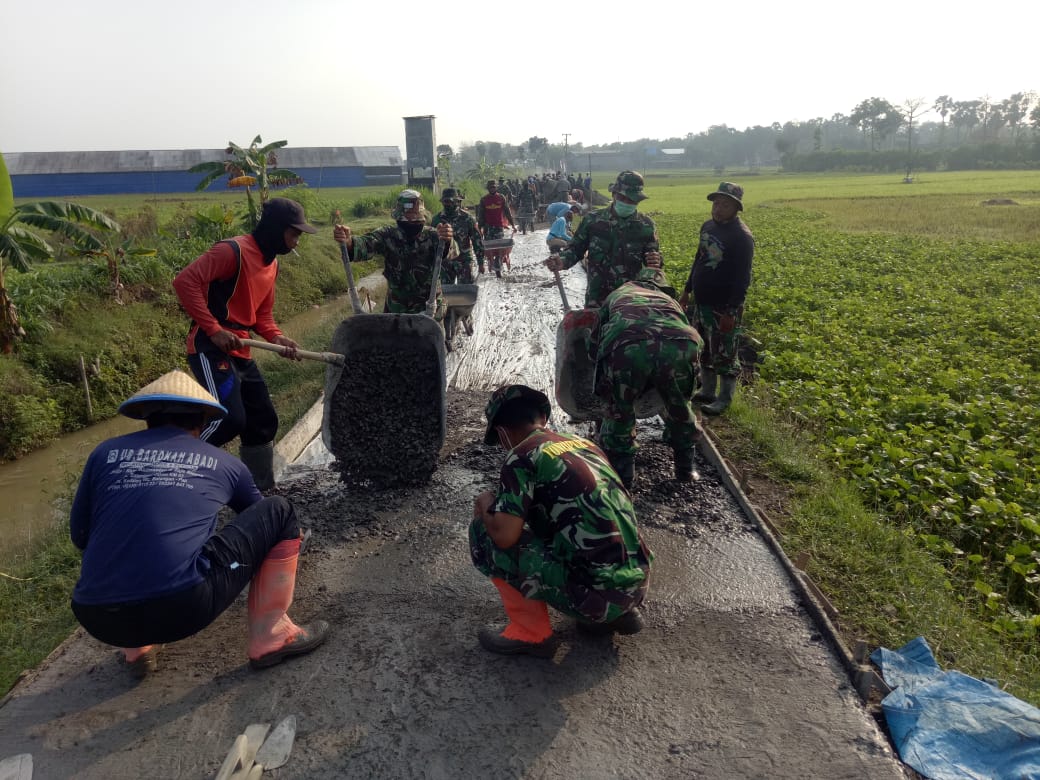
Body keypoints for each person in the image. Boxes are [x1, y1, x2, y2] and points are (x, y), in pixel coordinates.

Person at [69, 370, 329, 678]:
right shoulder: (227, 464)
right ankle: (272, 634)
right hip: (183, 608)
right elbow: (261, 519)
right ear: (203, 421)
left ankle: (138, 648)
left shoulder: (104, 454)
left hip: (97, 616)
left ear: (146, 416)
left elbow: (80, 535)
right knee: (280, 512)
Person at [469, 385, 654, 657]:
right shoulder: (587, 446)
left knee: (483, 533)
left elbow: (504, 536)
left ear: (502, 432)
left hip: (600, 595)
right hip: (637, 582)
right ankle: (616, 613)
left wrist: (486, 503)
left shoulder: (521, 457)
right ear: (542, 419)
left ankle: (530, 633)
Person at [173, 197, 315, 490]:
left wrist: (277, 337)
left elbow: (261, 315)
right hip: (210, 347)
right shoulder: (232, 251)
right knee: (228, 419)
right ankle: (174, 470)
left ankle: (257, 489)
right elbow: (185, 281)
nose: (297, 242)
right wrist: (213, 329)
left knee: (262, 419)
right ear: (276, 229)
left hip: (242, 346)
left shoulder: (271, 264)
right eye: (294, 234)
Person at [595, 268, 704, 487]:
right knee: (681, 405)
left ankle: (624, 475)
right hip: (683, 345)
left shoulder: (618, 293)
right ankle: (686, 468)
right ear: (661, 287)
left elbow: (596, 337)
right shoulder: (669, 300)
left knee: (620, 409)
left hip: (628, 345)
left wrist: (601, 372)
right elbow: (681, 328)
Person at [679, 182, 755, 416]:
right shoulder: (708, 227)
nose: (718, 208)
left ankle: (725, 398)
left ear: (736, 208)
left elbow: (743, 277)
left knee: (725, 353)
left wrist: (732, 311)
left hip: (724, 306)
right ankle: (708, 391)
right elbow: (699, 258)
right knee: (704, 348)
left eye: (724, 204)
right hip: (702, 302)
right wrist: (687, 289)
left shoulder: (742, 237)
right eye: (716, 203)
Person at [333, 189, 457, 319]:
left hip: (430, 312)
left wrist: (447, 239)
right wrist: (348, 242)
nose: (412, 223)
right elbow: (365, 244)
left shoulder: (433, 236)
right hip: (396, 311)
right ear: (398, 219)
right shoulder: (387, 235)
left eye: (416, 221)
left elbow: (451, 252)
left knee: (433, 338)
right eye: (407, 220)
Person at [546, 171, 663, 308]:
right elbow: (575, 249)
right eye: (623, 198)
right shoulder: (592, 220)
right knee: (593, 328)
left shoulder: (646, 226)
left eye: (632, 200)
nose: (627, 203)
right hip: (597, 298)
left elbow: (653, 259)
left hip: (631, 301)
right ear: (614, 195)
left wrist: (656, 261)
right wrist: (562, 260)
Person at [431, 187, 483, 281]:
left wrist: (481, 262)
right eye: (445, 201)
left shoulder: (467, 218)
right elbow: (431, 242)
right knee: (445, 292)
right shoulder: (436, 220)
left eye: (450, 201)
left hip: (464, 261)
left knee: (465, 290)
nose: (447, 204)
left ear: (456, 201)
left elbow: (477, 241)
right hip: (445, 262)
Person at [476, 180, 516, 277]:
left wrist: (513, 224)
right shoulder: (484, 199)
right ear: (488, 188)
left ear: (496, 188)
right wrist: (479, 228)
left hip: (499, 226)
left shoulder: (501, 198)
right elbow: (480, 215)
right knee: (490, 247)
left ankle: (498, 263)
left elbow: (507, 212)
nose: (492, 189)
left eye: (494, 187)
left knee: (499, 247)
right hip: (488, 227)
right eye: (490, 187)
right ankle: (492, 260)